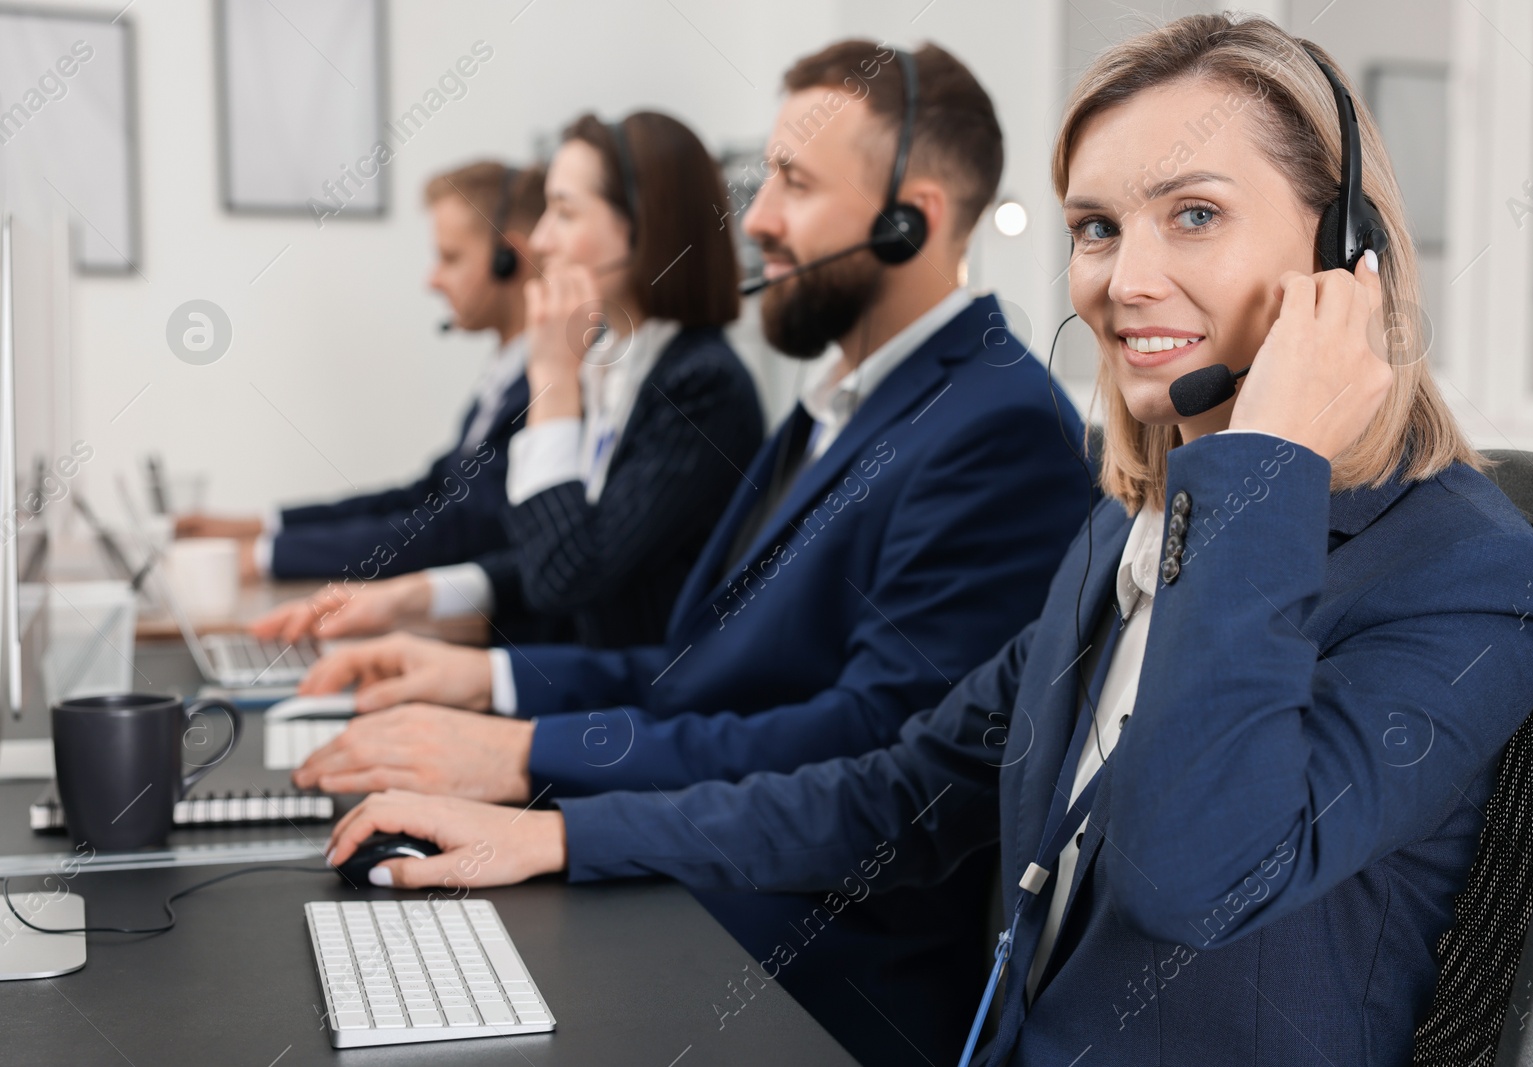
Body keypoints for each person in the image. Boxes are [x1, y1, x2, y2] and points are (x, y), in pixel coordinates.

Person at [323, 15, 1533, 1066]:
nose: (1122, 279)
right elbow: (900, 788)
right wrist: (557, 834)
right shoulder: (1125, 529)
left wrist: (1263, 466)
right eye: (1096, 227)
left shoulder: (1479, 577)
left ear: (1344, 254)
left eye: (1191, 214)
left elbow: (1196, 870)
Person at [297, 41, 1096, 1065]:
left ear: (913, 219)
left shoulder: (994, 425)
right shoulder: (836, 404)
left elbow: (858, 752)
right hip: (702, 873)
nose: (755, 219)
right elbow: (696, 673)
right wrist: (484, 683)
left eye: (794, 185)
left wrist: (528, 761)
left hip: (808, 964)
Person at [252, 112, 765, 650]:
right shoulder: (618, 367)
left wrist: (552, 379)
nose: (541, 241)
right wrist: (410, 596)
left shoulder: (702, 388)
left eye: (564, 213)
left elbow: (568, 578)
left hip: (627, 715)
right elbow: (542, 555)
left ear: (644, 228)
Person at [178, 162, 545, 588]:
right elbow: (422, 497)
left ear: (510, 260)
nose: (432, 280)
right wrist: (263, 527)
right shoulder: (504, 378)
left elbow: (455, 531)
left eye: (450, 258)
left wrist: (266, 557)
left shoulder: (547, 389)